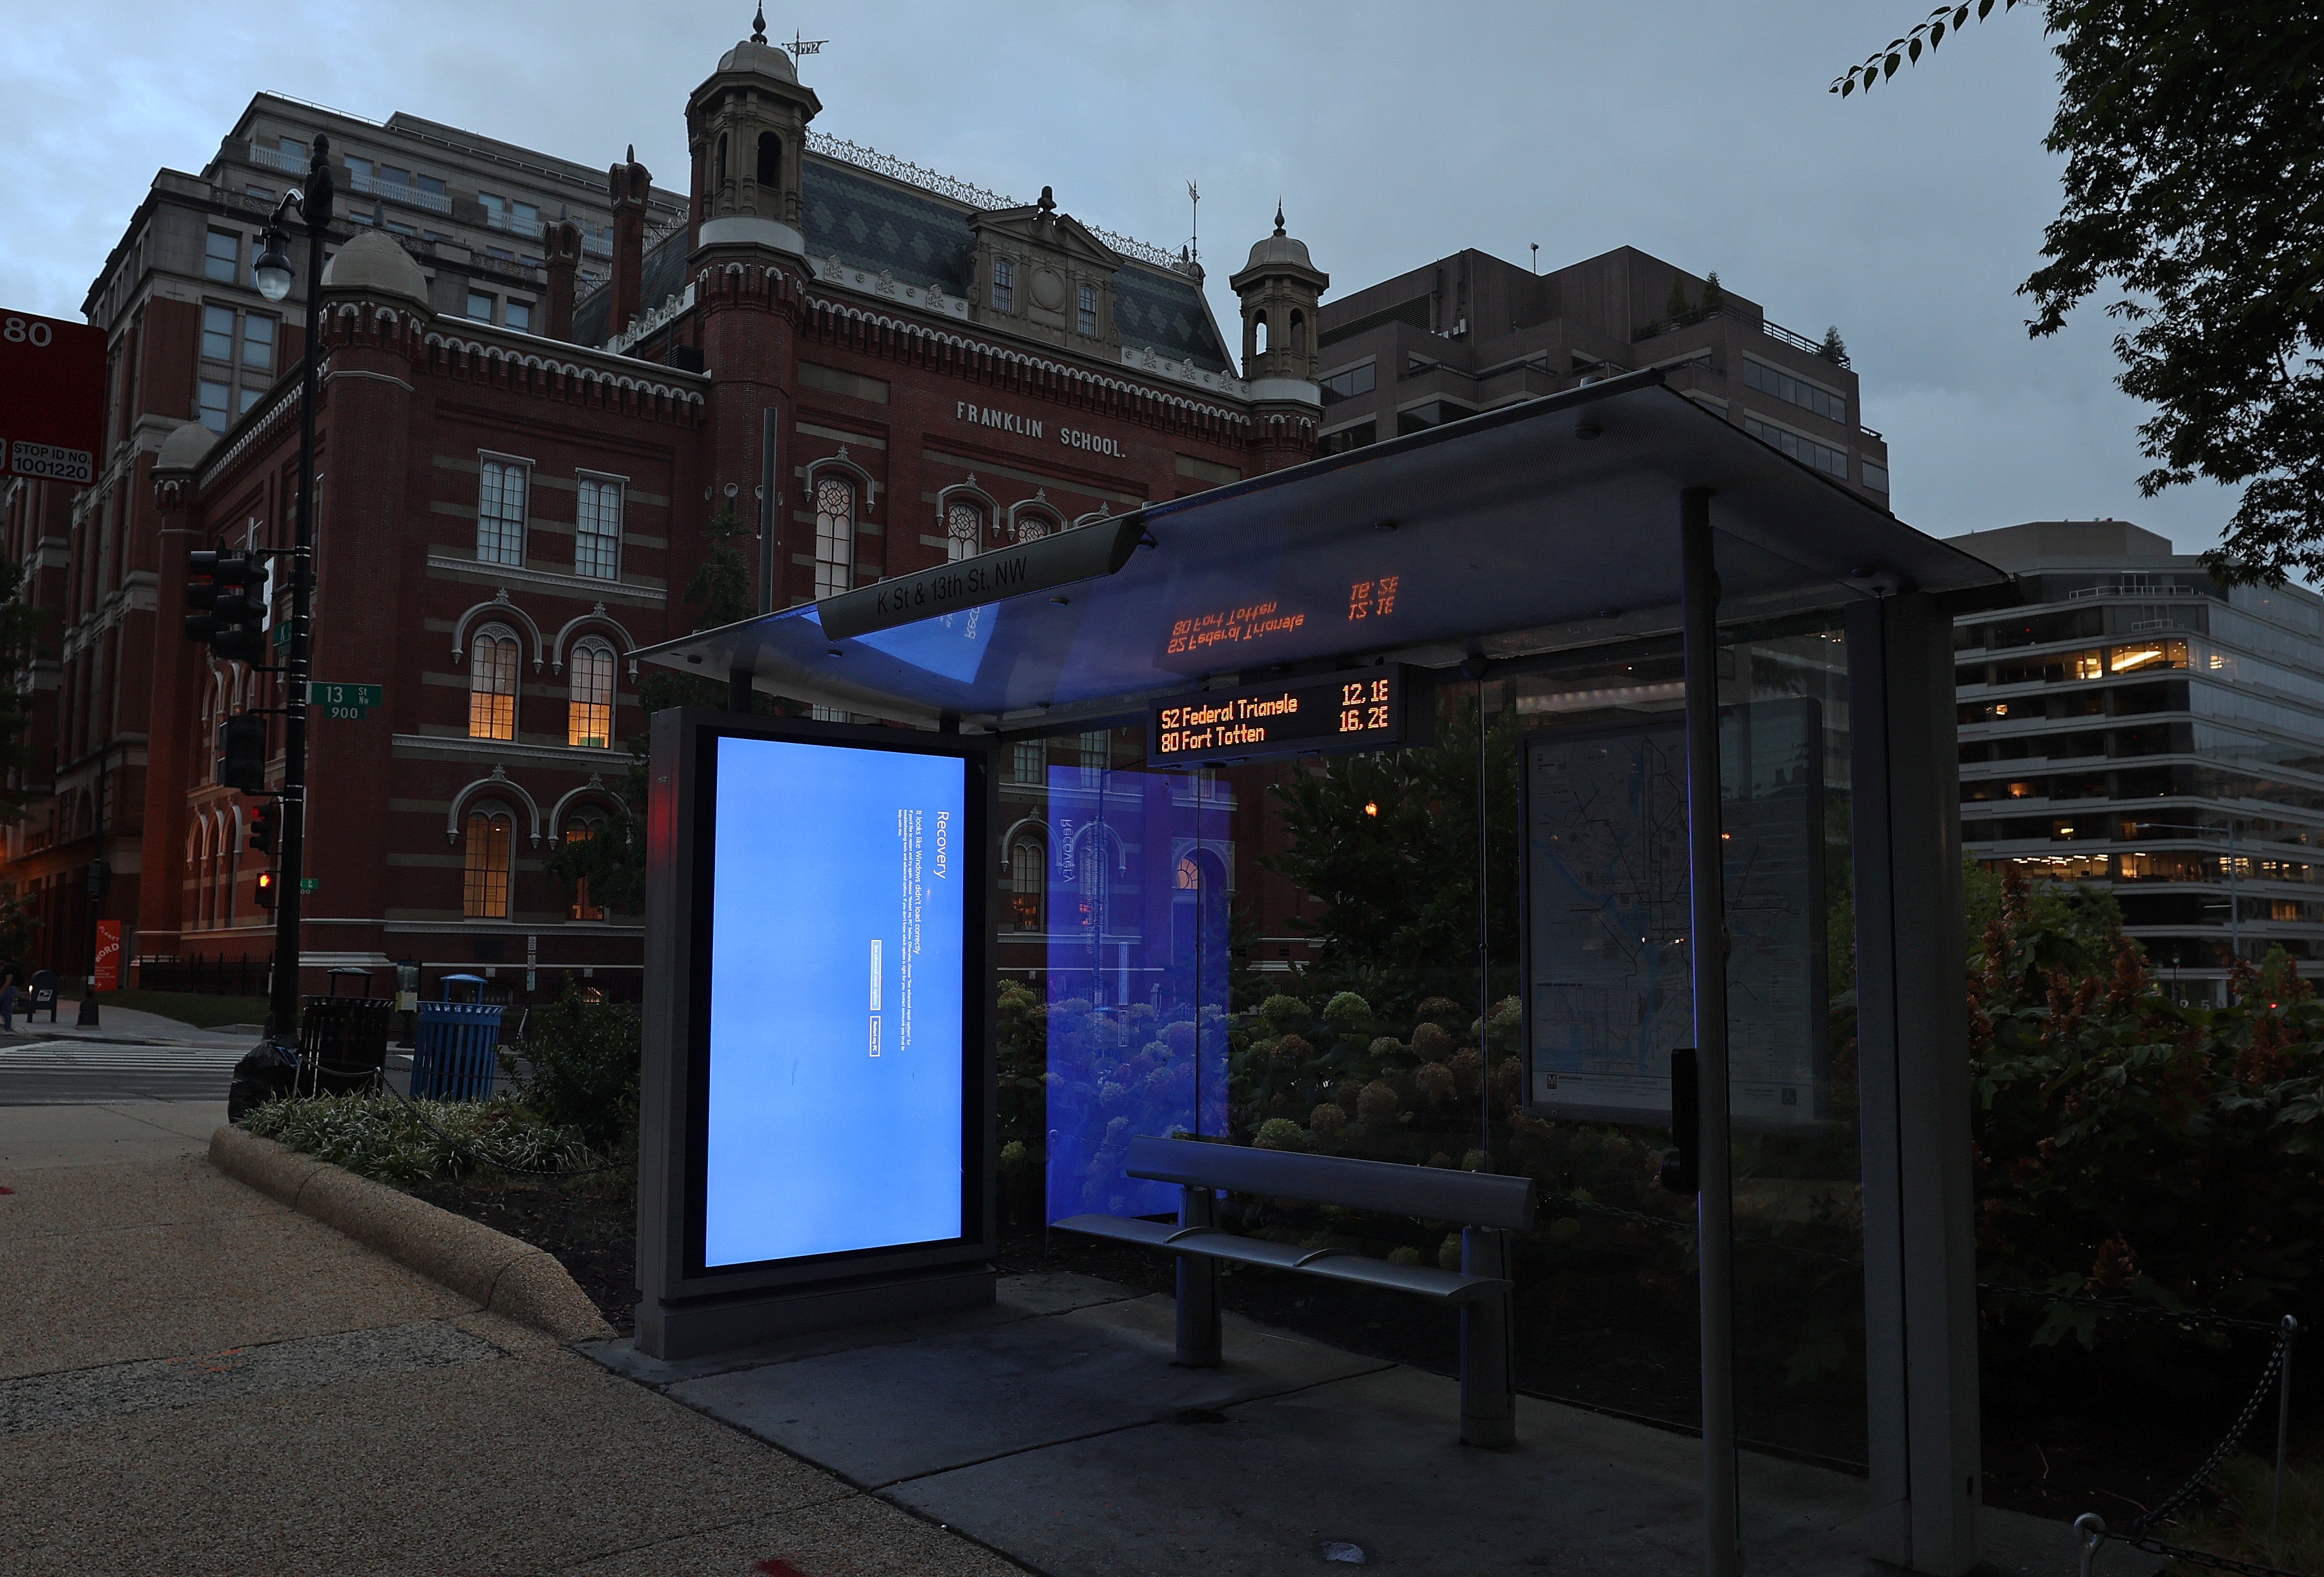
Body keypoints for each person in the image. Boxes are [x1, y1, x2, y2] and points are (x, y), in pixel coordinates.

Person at [0, 957, 20, 1034]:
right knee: (5, 1008)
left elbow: (8, 981)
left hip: (8, 990)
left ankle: (8, 1027)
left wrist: (1, 991)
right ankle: (7, 1026)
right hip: (7, 990)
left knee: (6, 1008)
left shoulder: (9, 969)